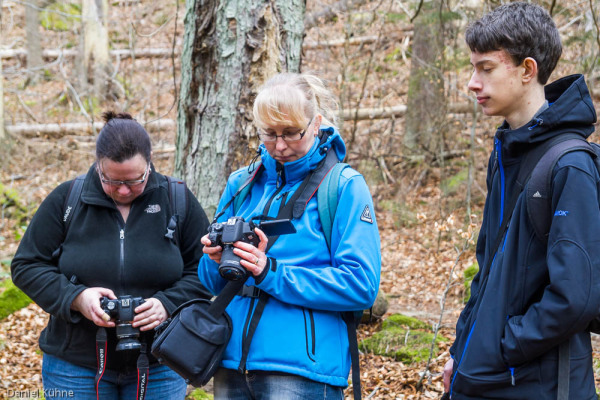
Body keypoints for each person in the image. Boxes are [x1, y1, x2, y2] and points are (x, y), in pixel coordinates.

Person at [443, 3, 599, 399]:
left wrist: (503, 348)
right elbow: (489, 269)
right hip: (483, 378)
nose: (472, 83)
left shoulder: (570, 165)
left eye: (486, 68)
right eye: (473, 68)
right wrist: (461, 350)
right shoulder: (507, 153)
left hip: (535, 385)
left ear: (527, 70)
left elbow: (575, 298)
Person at [198, 72, 381, 399]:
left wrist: (271, 272)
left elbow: (360, 285)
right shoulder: (241, 184)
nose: (280, 146)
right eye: (269, 133)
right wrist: (214, 260)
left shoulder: (344, 187)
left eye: (291, 133)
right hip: (229, 364)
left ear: (316, 123)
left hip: (303, 371)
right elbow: (211, 284)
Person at [11, 112, 212, 399]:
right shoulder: (67, 199)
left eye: (134, 180)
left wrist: (167, 303)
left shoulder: (176, 199)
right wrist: (77, 299)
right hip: (75, 366)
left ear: (150, 162)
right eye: (111, 180)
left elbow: (206, 270)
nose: (123, 190)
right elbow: (26, 265)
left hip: (160, 362)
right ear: (97, 164)